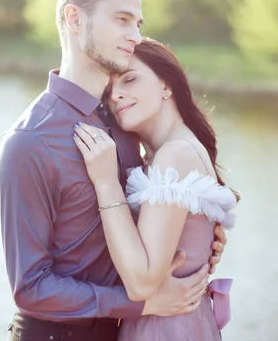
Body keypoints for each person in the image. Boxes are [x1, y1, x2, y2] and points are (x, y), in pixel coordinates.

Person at [0, 0, 228, 341]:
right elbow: (30, 288)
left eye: (137, 22)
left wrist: (194, 239)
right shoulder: (28, 143)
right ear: (74, 19)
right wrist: (140, 305)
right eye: (122, 20)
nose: (135, 35)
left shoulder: (123, 121)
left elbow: (150, 216)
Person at [73, 37, 238, 340]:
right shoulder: (171, 153)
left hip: (165, 329)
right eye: (109, 91)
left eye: (130, 80)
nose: (117, 96)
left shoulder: (175, 155)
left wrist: (106, 182)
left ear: (166, 85)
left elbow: (141, 284)